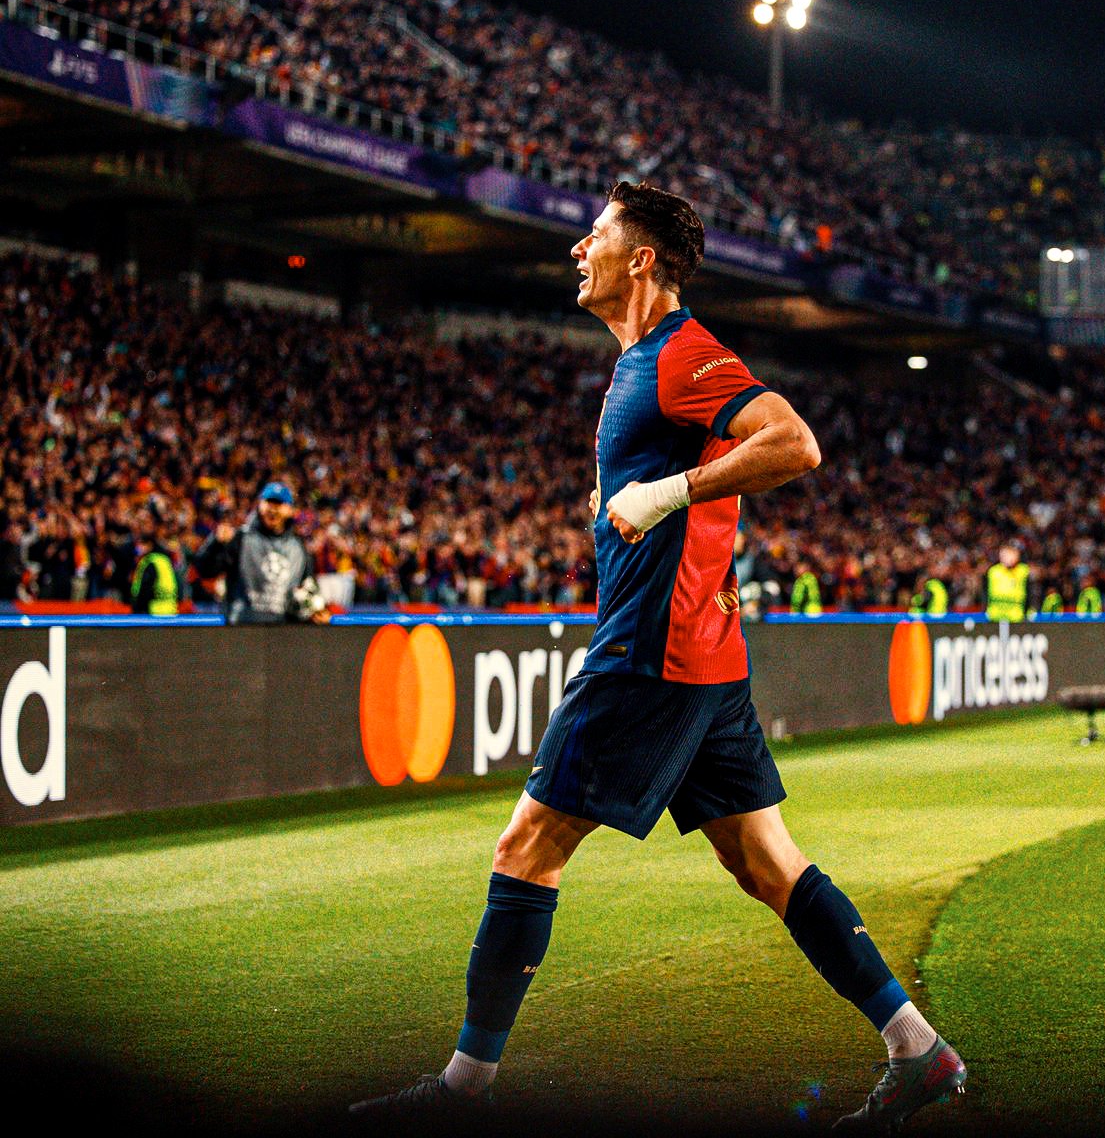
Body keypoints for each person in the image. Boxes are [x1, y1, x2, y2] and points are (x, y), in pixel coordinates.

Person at [352, 182, 966, 1129]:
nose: (577, 248)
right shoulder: (639, 361)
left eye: (595, 234)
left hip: (652, 655)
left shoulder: (682, 355)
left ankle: (463, 1092)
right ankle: (918, 1049)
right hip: (705, 658)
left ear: (640, 259)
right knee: (766, 863)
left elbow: (795, 444)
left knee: (527, 846)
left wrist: (670, 490)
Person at [192, 483, 330, 625]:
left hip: (282, 631)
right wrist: (216, 543)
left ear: (290, 510)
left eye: (279, 504)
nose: (273, 509)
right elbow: (205, 570)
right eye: (269, 503)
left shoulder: (299, 548)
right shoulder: (241, 538)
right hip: (242, 628)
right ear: (260, 505)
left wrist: (317, 611)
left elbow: (309, 587)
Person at [130, 519, 181, 616]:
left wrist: (137, 609)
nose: (138, 547)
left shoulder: (150, 561)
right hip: (170, 610)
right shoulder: (164, 560)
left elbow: (145, 590)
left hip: (152, 613)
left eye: (141, 544)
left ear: (149, 545)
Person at [985, 543, 1030, 622]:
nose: (1007, 558)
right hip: (995, 616)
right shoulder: (993, 571)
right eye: (1004, 555)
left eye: (1010, 555)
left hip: (1017, 616)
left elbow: (1030, 591)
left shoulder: (1023, 571)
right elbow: (985, 592)